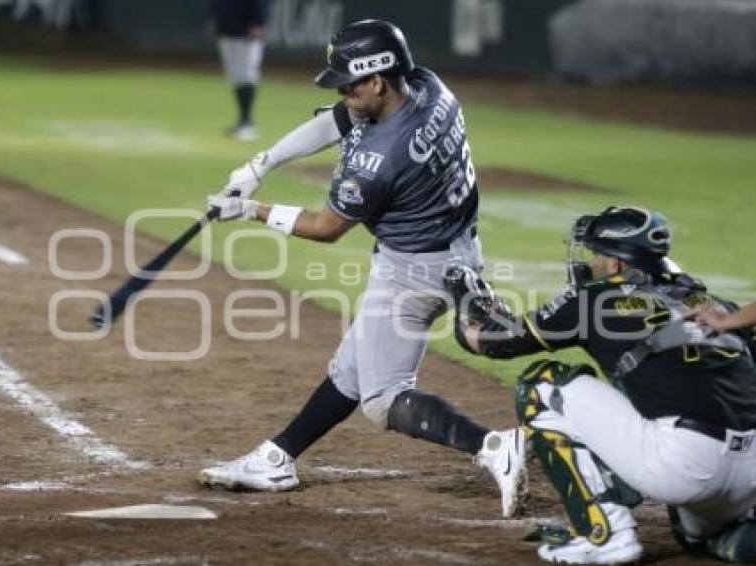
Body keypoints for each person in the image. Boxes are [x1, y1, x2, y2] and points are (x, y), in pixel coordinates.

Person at [201, 19, 526, 518]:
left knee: (382, 398)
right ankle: (278, 458)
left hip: (415, 273)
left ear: (378, 80)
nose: (345, 93)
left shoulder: (380, 157)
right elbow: (336, 121)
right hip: (454, 252)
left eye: (351, 84)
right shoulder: (427, 86)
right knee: (351, 368)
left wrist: (250, 211)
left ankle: (494, 447)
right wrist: (261, 165)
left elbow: (327, 227)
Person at [447, 205, 756, 563]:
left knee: (543, 387)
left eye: (597, 254)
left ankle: (604, 537)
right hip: (749, 474)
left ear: (616, 264)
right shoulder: (713, 302)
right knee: (699, 537)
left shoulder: (595, 299)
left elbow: (493, 341)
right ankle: (736, 533)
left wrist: (467, 303)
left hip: (687, 467)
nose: (591, 261)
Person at [207, 0, 270, 141]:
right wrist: (215, 19)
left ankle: (247, 124)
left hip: (246, 33)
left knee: (247, 76)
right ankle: (242, 121)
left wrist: (258, 22)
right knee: (236, 77)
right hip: (227, 31)